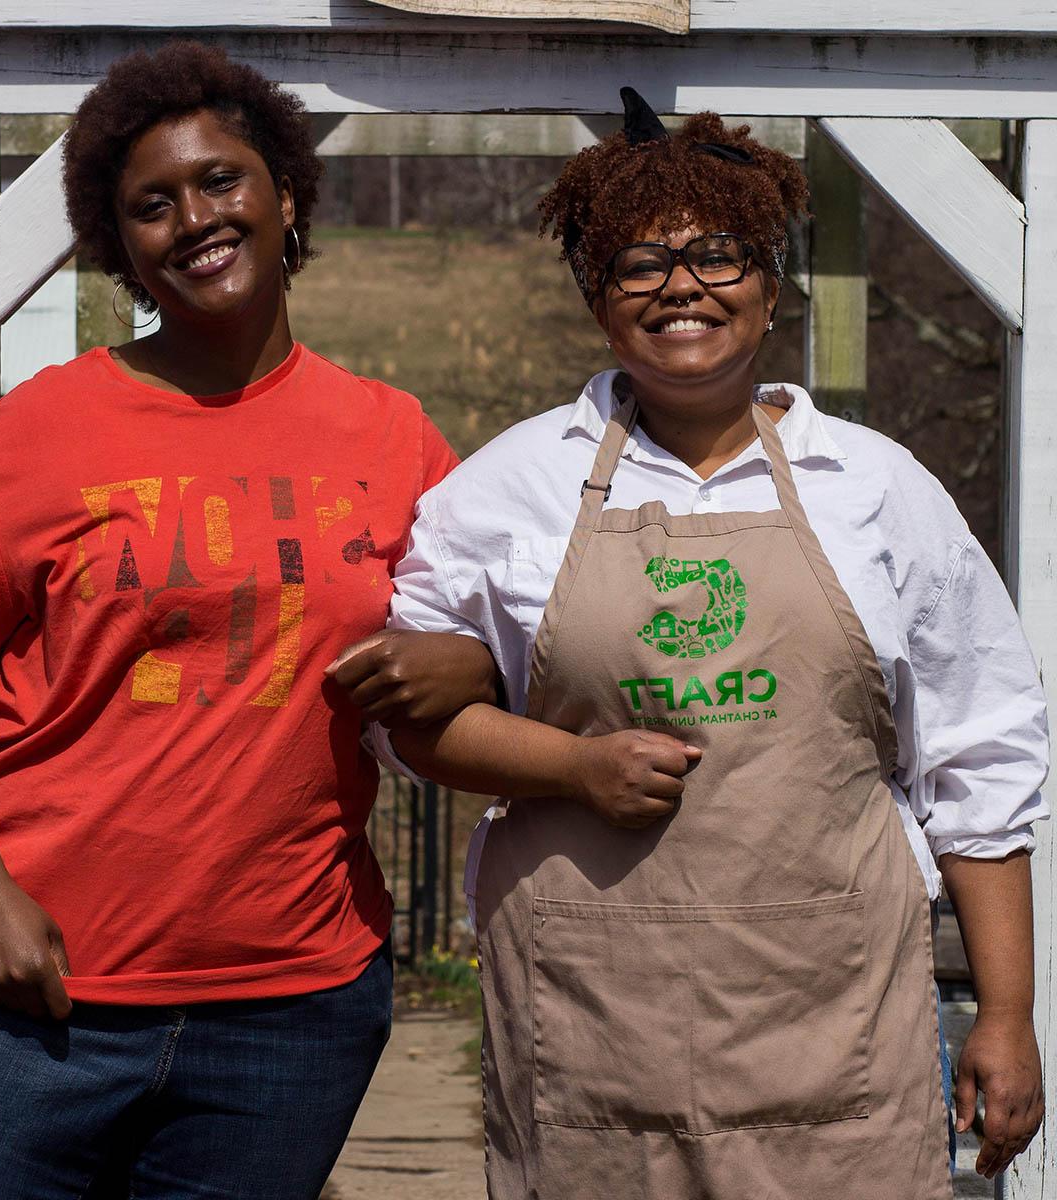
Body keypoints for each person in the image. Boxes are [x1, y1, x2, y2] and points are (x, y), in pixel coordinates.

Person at [337, 92, 1049, 1197]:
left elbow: (982, 755)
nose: (682, 286)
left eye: (718, 255)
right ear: (597, 298)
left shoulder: (876, 489)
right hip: (597, 1045)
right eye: (638, 264)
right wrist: (570, 766)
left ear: (771, 283)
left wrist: (1007, 1016)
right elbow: (412, 725)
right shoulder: (511, 490)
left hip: (837, 1042)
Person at [0, 41, 494, 1200]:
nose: (193, 218)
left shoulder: (393, 439)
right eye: (151, 205)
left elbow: (473, 639)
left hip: (285, 1017)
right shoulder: (37, 433)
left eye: (219, 181)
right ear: (120, 248)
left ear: (285, 195)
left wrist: (469, 663)